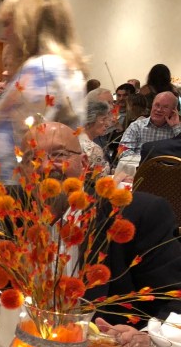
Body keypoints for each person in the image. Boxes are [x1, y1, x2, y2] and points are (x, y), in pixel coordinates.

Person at [22, 122, 181, 325]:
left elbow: (175, 300)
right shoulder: (8, 215)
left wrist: (144, 336)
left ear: (84, 164)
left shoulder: (137, 215)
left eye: (59, 155)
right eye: (33, 159)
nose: (45, 167)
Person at [0, 0, 87, 193]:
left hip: (13, 198)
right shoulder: (68, 70)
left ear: (27, 25)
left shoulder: (42, 70)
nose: (4, 34)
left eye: (8, 24)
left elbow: (22, 149)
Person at [118, 91, 181, 162]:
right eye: (157, 105)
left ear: (173, 111)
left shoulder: (176, 130)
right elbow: (122, 150)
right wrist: (143, 163)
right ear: (152, 105)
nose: (159, 110)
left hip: (167, 168)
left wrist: (175, 127)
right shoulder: (136, 126)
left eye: (165, 107)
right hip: (137, 167)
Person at [78, 99, 112, 177]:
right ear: (89, 121)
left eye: (107, 119)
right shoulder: (93, 149)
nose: (107, 124)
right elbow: (99, 181)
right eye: (103, 119)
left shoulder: (71, 138)